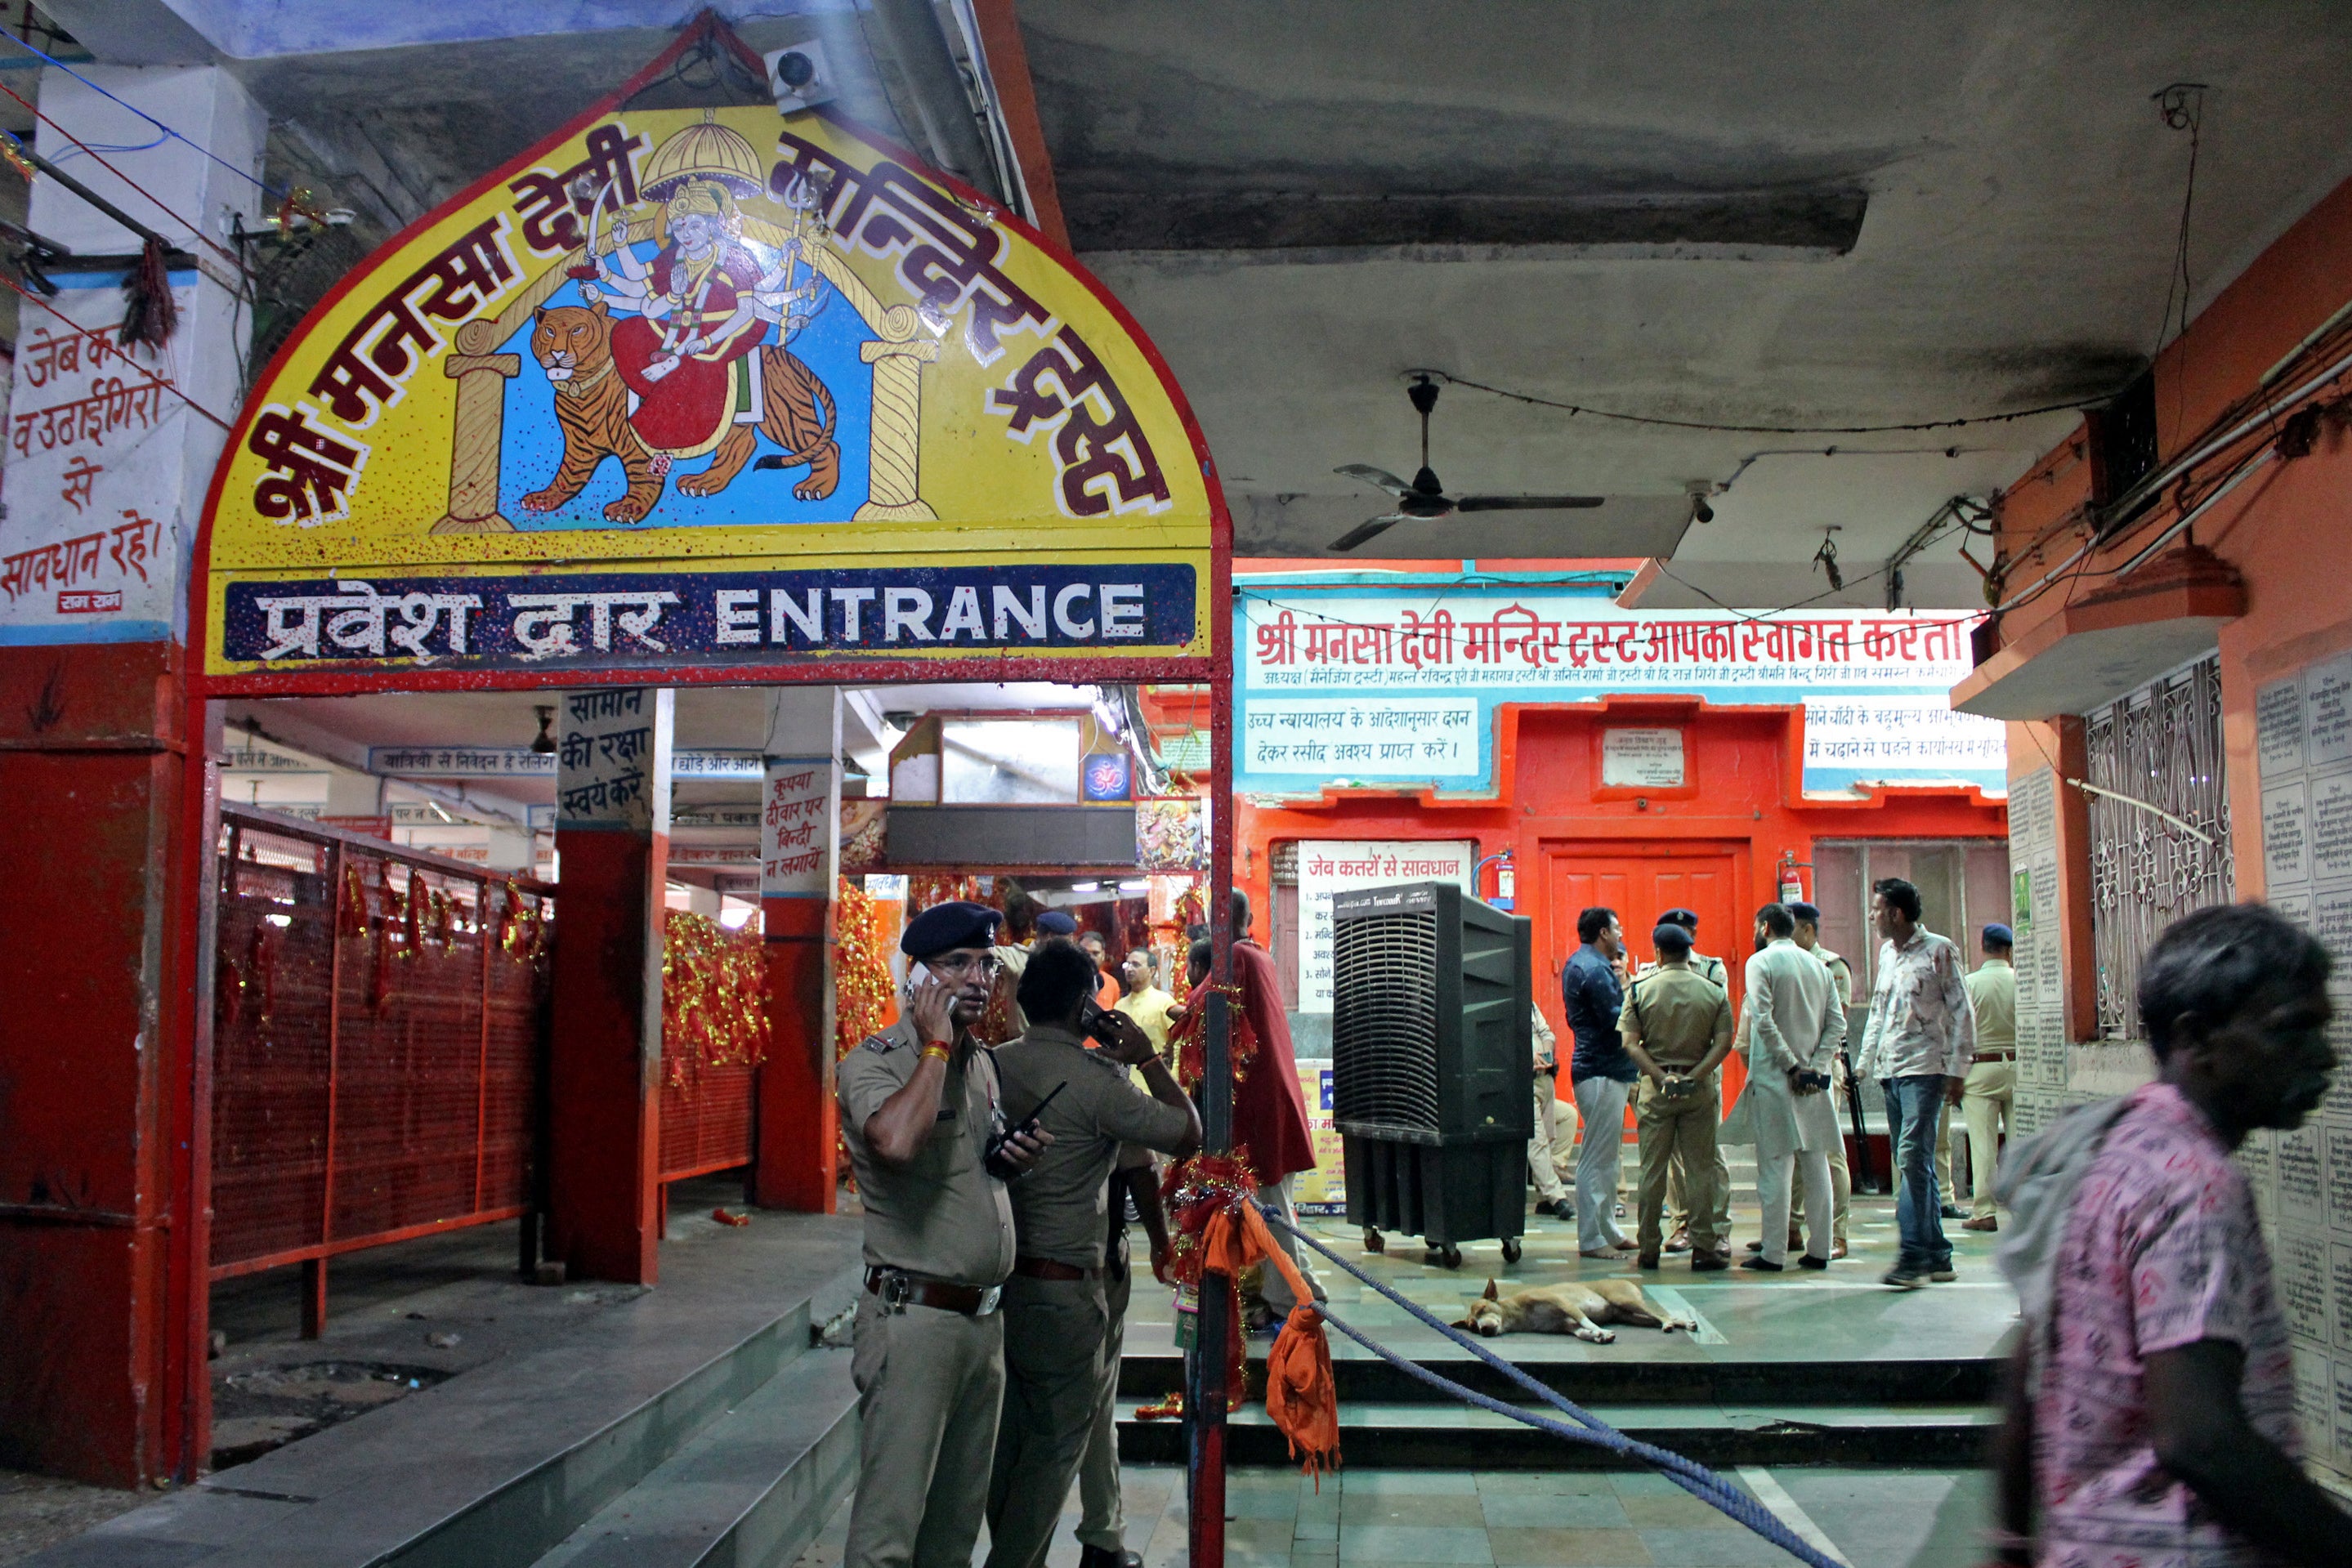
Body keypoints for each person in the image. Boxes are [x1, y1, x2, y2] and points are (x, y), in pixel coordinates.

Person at [1991, 902, 2351, 1567]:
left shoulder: (2113, 1142)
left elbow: (2031, 1359)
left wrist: (2012, 1538)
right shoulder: (2196, 1183)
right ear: (2197, 1039)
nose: (2324, 1056)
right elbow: (2200, 1439)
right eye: (2291, 1029)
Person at [837, 901, 1050, 1568]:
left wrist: (1008, 1156)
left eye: (985, 962)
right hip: (914, 1320)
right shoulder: (877, 1060)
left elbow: (963, 1163)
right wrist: (933, 1045)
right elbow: (897, 1141)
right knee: (889, 1535)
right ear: (916, 977)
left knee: (953, 1534)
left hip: (981, 1325)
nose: (976, 977)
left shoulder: (979, 1062)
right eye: (955, 963)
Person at [985, 940, 1200, 1568]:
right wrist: (1147, 1056)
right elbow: (1186, 1132)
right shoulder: (1098, 1081)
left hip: (997, 1286)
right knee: (1055, 1446)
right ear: (1086, 1006)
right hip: (1065, 1289)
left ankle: (1023, 1550)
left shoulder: (991, 1067)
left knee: (1010, 1443)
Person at [1853, 877, 1975, 1289]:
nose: (1871, 917)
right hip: (1892, 1071)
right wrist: (1866, 1062)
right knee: (1917, 1161)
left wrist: (1958, 1069)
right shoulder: (1888, 954)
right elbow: (1878, 1010)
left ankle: (1912, 1258)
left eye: (1876, 910)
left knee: (1911, 1160)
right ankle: (1938, 1256)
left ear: (1896, 913)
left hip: (1926, 1071)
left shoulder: (1940, 950)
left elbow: (1962, 1011)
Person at [1724, 904, 1844, 1271]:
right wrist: (1814, 1066)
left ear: (1763, 927)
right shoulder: (1818, 966)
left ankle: (1773, 1253)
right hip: (1812, 1082)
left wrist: (1791, 1066)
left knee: (1775, 1167)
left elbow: (1762, 1017)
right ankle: (1819, 1250)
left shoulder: (1760, 963)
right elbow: (1837, 1024)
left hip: (1775, 1078)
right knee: (1816, 1162)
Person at [1223, 890, 1325, 1323]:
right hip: (1270, 1101)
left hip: (1259, 1108)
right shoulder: (1258, 955)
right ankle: (1302, 1291)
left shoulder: (1236, 957)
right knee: (1275, 1208)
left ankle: (1296, 1299)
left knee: (1271, 1211)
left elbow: (1200, 1007)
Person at [1073, 1143, 1171, 1568]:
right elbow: (1150, 1156)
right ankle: (1102, 1533)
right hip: (1089, 1272)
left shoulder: (1001, 1076)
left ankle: (1101, 1532)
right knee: (1090, 1410)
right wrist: (1163, 1245)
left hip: (1016, 1274)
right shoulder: (1098, 1079)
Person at [1618, 923, 1735, 1270]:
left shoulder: (1640, 990)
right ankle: (1703, 1247)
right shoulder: (1713, 991)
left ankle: (1649, 1248)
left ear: (1657, 952)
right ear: (1689, 953)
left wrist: (1661, 1077)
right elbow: (1724, 1042)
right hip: (1699, 1091)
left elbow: (1629, 1044)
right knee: (1700, 1170)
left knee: (1652, 1171)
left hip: (1656, 1091)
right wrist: (1694, 1076)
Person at [1657, 908, 1733, 1255]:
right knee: (1673, 1155)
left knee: (1709, 1154)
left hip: (1701, 1075)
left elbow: (1719, 1023)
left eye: (1689, 929)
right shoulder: (1650, 971)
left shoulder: (1713, 968)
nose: (1686, 936)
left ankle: (1717, 1226)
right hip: (1664, 1076)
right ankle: (1682, 1223)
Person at [1563, 906, 1639, 1258]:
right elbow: (1617, 1019)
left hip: (1600, 1068)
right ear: (1603, 933)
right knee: (1596, 1157)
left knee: (1607, 1157)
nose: (1621, 935)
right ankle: (1592, 1238)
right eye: (1617, 928)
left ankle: (1608, 1229)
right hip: (1602, 1069)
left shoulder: (1581, 963)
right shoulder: (1594, 969)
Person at [1786, 901, 1854, 1259]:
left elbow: (1836, 1022)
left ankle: (1836, 1233)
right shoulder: (1782, 962)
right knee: (1796, 1150)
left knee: (1828, 1150)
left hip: (1823, 1066)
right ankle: (1793, 1228)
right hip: (1792, 1068)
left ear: (1808, 930)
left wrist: (1817, 1066)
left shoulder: (1831, 964)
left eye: (1792, 927)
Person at [1959, 922, 2017, 1233]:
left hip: (1980, 1069)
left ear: (1983, 947)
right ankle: (2025, 1208)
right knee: (2021, 1143)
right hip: (2019, 1068)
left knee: (1984, 1147)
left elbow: (1959, 1031)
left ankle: (1984, 1211)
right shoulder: (2023, 980)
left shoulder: (1970, 983)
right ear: (2009, 950)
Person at [1528, 1003, 1572, 1220]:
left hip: (1545, 1079)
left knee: (1567, 1119)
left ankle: (1545, 1194)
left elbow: (1547, 1032)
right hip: (1525, 1082)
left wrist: (1545, 1051)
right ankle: (1557, 1196)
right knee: (1537, 1141)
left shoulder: (1532, 1004)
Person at [1111, 949, 1179, 1063]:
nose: (1129, 969)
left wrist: (1173, 1077)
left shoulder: (1164, 1002)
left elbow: (1176, 1043)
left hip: (1155, 1076)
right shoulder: (1119, 1005)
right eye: (1127, 964)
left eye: (1136, 965)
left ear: (1151, 971)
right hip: (1124, 1077)